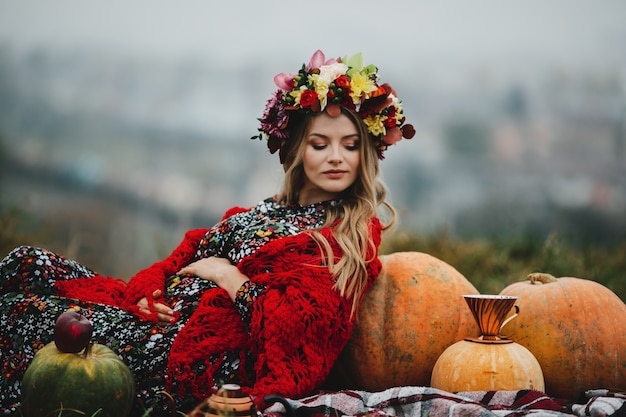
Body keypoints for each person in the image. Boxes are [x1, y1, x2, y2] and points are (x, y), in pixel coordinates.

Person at [0, 49, 414, 415]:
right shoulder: (264, 209)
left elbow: (296, 340)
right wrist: (150, 290)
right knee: (24, 263)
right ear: (296, 150)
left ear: (368, 152)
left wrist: (228, 276)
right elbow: (187, 256)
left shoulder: (345, 236)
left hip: (191, 353)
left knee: (18, 317)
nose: (336, 158)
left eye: (350, 145)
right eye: (320, 144)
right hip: (160, 319)